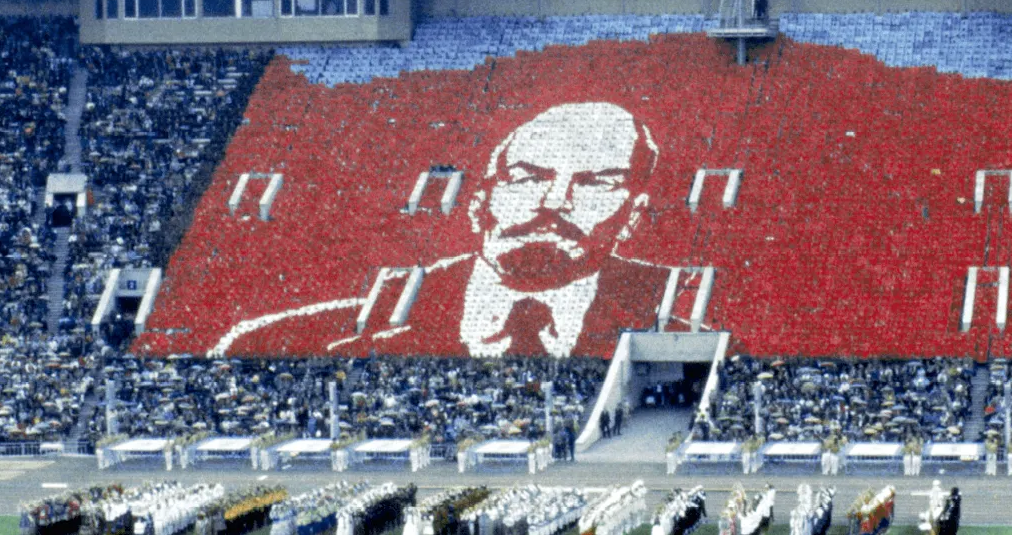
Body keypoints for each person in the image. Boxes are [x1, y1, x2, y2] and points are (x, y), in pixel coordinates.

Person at [207, 101, 673, 358]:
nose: (553, 203)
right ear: (478, 203)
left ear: (632, 215)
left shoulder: (680, 323)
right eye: (528, 177)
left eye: (597, 184)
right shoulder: (283, 339)